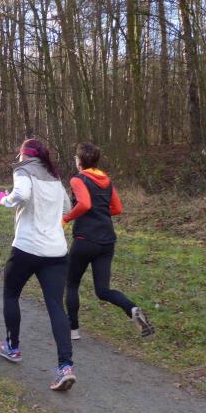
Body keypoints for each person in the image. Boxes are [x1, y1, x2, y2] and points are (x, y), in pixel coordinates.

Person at [0, 139, 75, 391]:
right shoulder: (54, 176)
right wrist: (50, 224)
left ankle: (12, 347)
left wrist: (3, 199)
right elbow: (67, 208)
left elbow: (21, 195)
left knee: (11, 294)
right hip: (56, 251)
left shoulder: (23, 170)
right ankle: (65, 367)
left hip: (27, 248)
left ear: (24, 155)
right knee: (56, 306)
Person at [63, 142, 154, 340]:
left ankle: (73, 330)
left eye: (76, 158)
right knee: (103, 290)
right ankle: (132, 309)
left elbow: (84, 204)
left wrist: (66, 218)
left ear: (79, 161)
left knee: (71, 283)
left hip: (85, 240)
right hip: (106, 242)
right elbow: (117, 208)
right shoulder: (106, 180)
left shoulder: (78, 179)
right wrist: (100, 212)